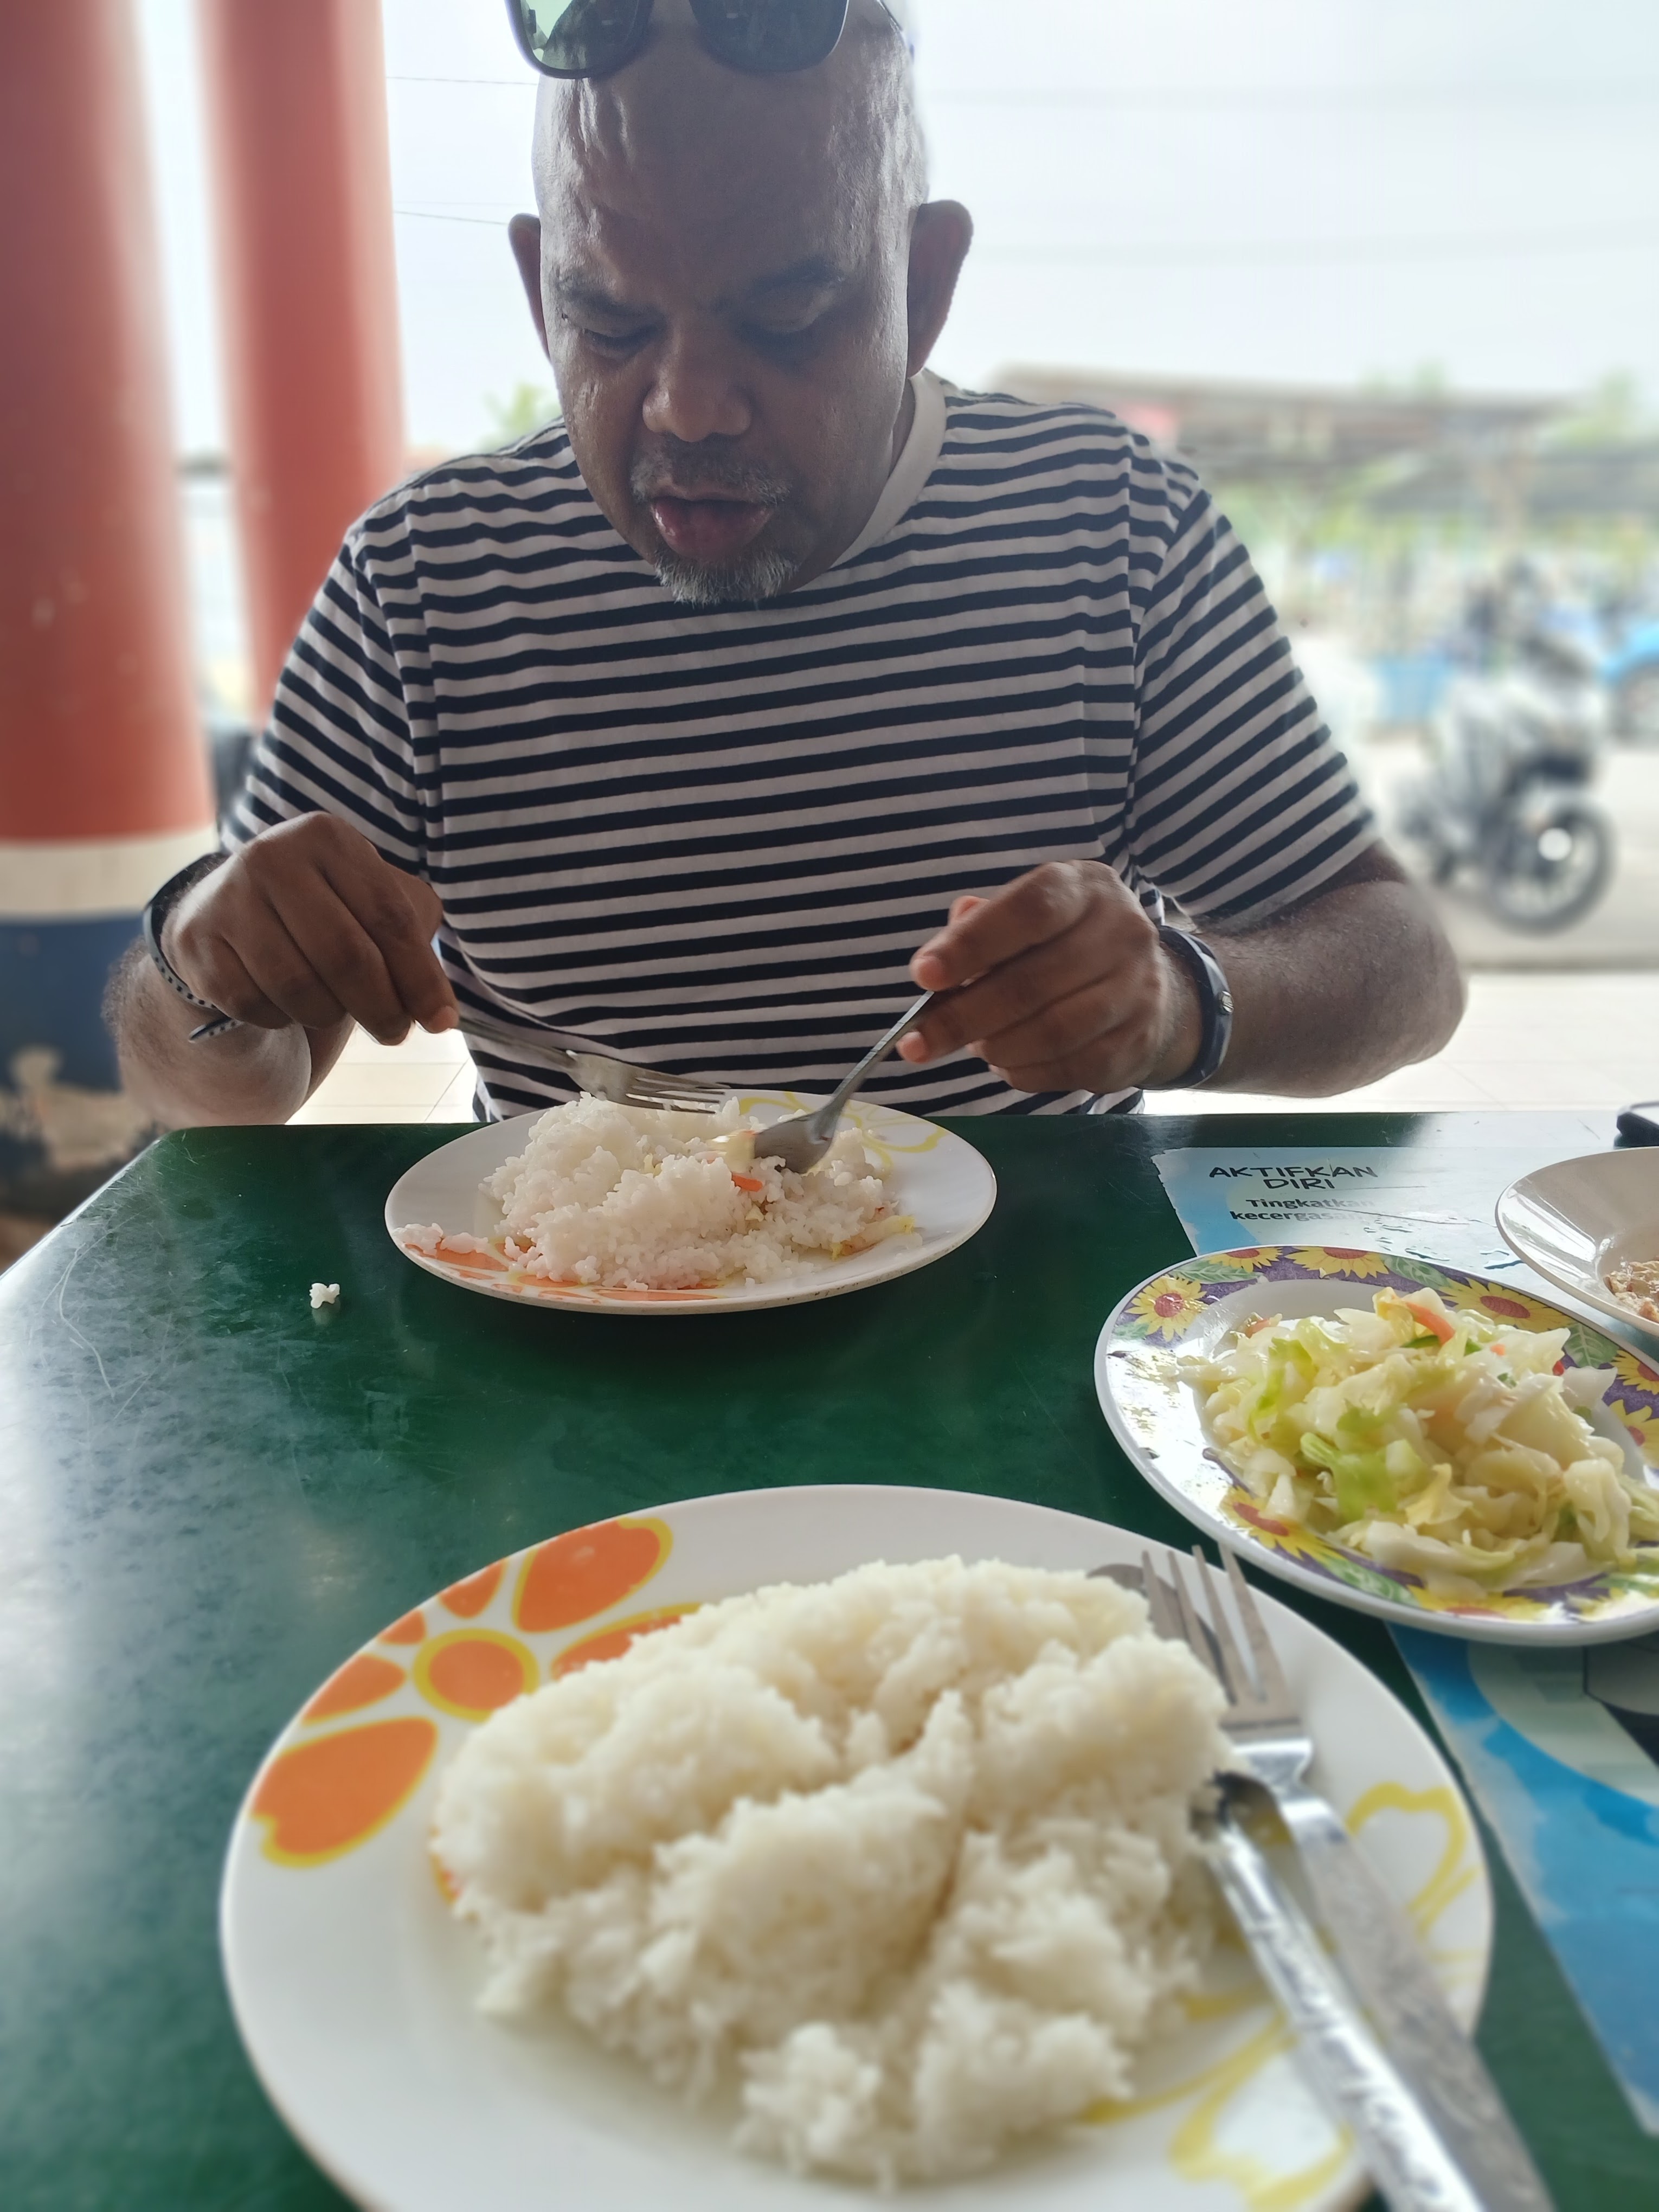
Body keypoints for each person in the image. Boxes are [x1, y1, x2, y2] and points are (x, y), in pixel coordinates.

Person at [111, 0, 1462, 1130]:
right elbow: (214, 1093)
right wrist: (204, 967)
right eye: (610, 324)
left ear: (923, 287)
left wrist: (1184, 1003)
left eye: (787, 317)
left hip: (1030, 1321)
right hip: (570, 1316)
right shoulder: (428, 581)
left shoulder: (1112, 526)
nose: (689, 408)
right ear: (538, 291)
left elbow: (1408, 973)